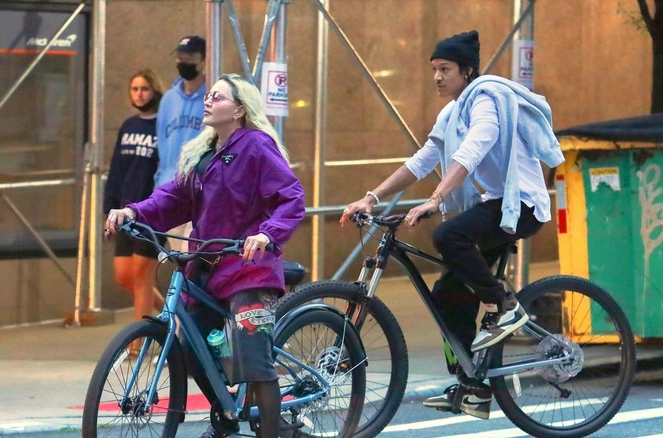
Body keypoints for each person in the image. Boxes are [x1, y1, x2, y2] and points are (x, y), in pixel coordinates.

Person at [340, 30, 564, 420]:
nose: (437, 77)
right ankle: (473, 387)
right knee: (448, 295)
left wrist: (437, 198)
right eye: (433, 69)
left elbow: (472, 150)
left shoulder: (487, 102)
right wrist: (370, 197)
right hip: (493, 207)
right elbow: (423, 159)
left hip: (520, 206)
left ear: (467, 70)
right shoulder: (451, 112)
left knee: (449, 234)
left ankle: (505, 306)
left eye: (445, 69)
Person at [106, 73, 305, 438]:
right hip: (205, 267)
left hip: (248, 268)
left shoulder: (257, 146)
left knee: (255, 363)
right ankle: (228, 418)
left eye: (218, 96)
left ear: (240, 110)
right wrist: (133, 212)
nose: (208, 100)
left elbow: (291, 198)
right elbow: (173, 199)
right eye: (208, 95)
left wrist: (266, 234)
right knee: (189, 347)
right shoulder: (203, 152)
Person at [103, 68, 166, 326]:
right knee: (124, 276)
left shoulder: (162, 124)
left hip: (152, 211)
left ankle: (137, 344)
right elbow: (117, 168)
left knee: (141, 275)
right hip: (124, 210)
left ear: (155, 91)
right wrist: (108, 207)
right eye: (134, 89)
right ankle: (177, 317)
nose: (139, 94)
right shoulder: (128, 126)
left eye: (144, 89)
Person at [154, 35, 208, 253]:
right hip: (171, 186)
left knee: (197, 256)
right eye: (180, 57)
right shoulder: (168, 99)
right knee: (179, 259)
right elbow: (162, 144)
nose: (184, 61)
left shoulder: (212, 96)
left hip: (201, 190)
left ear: (204, 60)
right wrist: (159, 184)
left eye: (190, 57)